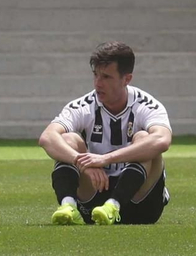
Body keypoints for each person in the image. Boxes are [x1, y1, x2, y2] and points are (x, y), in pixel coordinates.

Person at [39, 41, 172, 226]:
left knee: (144, 139)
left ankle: (114, 205)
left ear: (126, 79)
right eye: (95, 75)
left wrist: (106, 159)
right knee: (68, 139)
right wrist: (82, 161)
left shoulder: (146, 105)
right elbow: (48, 137)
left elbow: (162, 140)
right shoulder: (83, 105)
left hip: (141, 207)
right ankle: (68, 208)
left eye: (106, 77)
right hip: (93, 204)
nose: (97, 83)